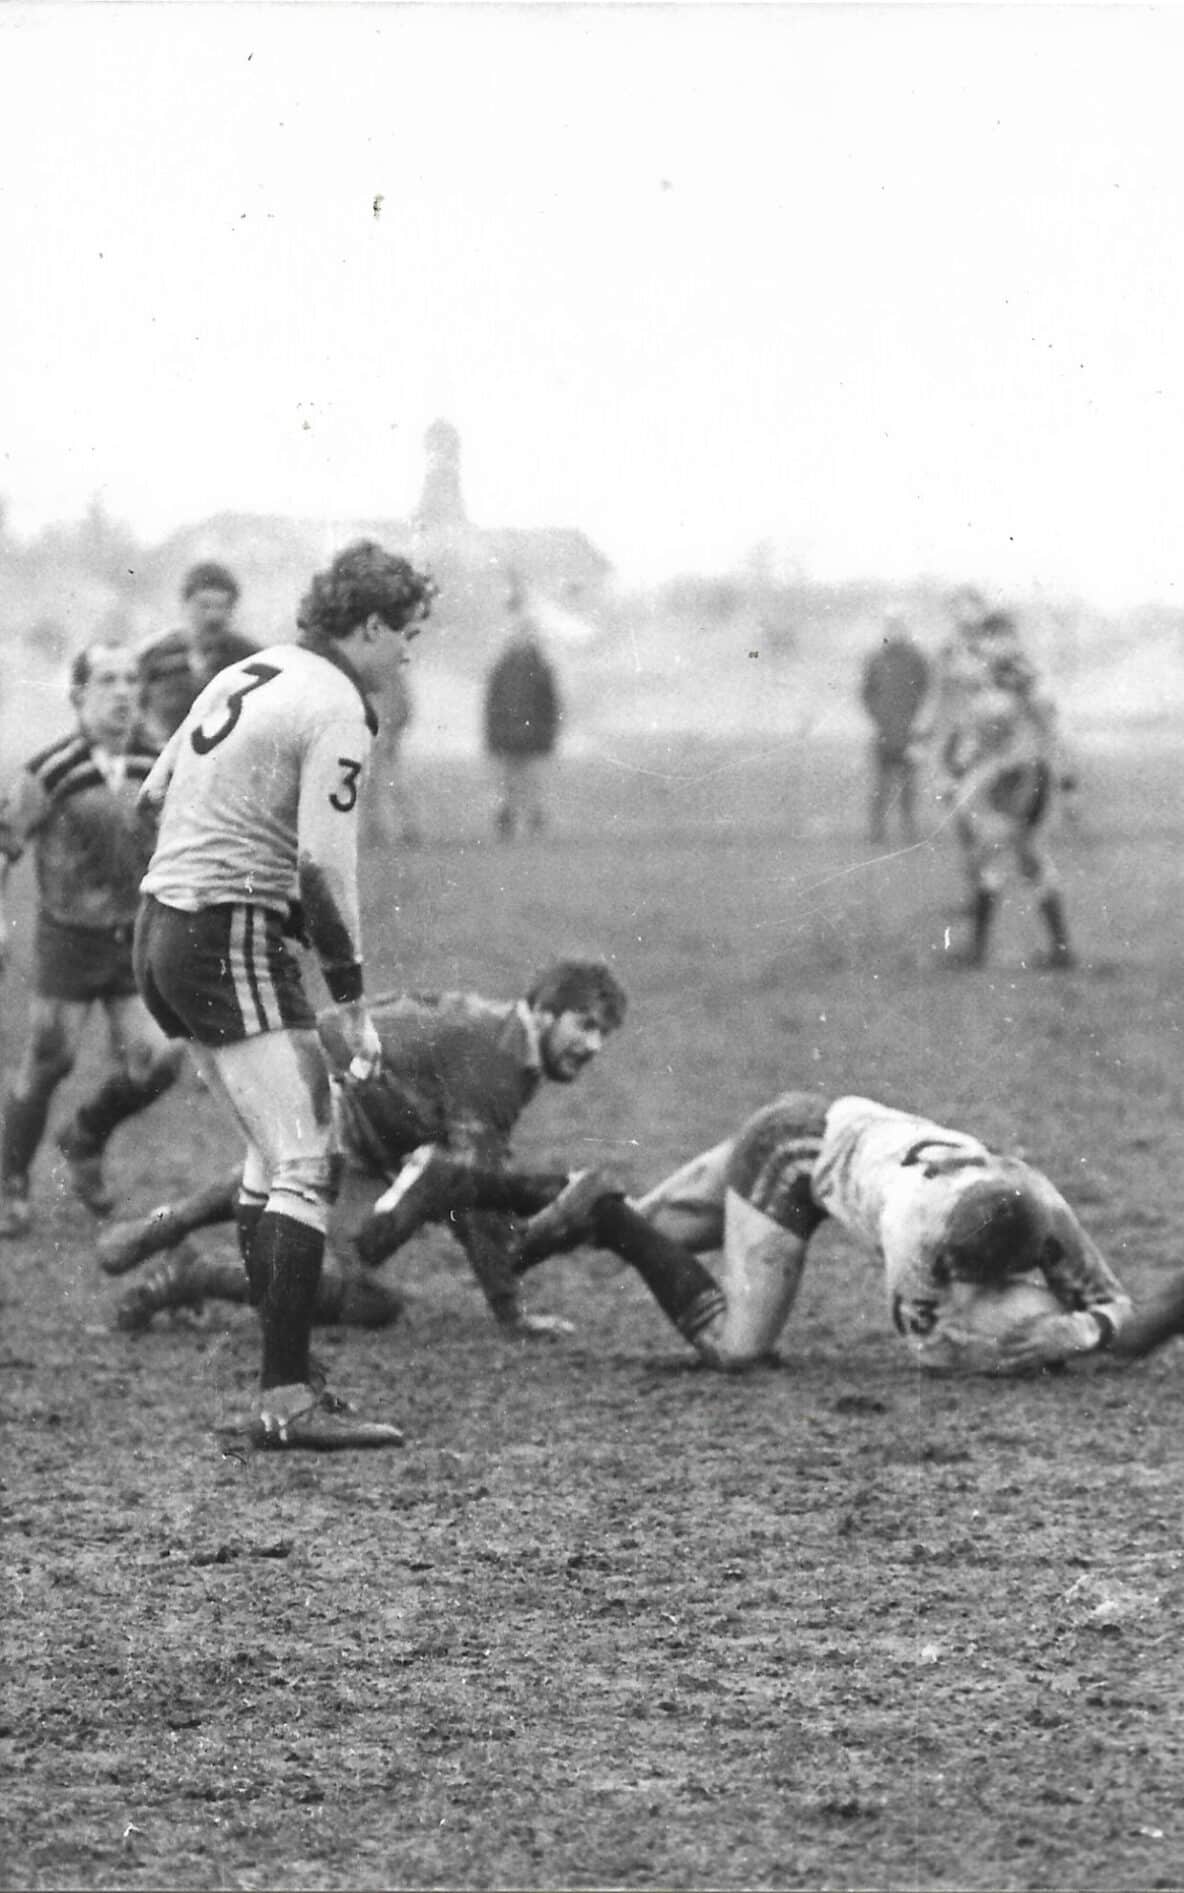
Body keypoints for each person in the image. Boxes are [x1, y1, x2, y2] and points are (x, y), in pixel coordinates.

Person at [133, 539, 436, 1451]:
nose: (408, 653)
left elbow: (152, 796)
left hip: (162, 924)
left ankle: (285, 1378)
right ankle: (287, 1395)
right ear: (371, 625)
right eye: (408, 634)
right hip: (223, 931)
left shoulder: (250, 670)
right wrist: (351, 997)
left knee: (273, 1156)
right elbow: (321, 864)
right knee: (309, 1157)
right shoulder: (338, 703)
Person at [383, 1091, 1142, 1377]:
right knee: (739, 1348)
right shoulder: (918, 1226)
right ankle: (603, 1211)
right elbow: (933, 1350)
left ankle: (464, 1185)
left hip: (820, 1121)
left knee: (652, 1227)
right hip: (792, 1160)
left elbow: (1115, 1302)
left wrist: (1080, 1329)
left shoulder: (1047, 1210)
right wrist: (1018, 1341)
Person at [101, 959, 628, 1339]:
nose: (594, 1045)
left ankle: (166, 1234)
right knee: (364, 1285)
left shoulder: (499, 1033)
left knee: (339, 1219)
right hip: (320, 1093)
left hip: (334, 1103)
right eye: (585, 1025)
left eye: (604, 1032)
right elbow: (472, 1197)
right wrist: (512, 1309)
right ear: (544, 1012)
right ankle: (191, 1271)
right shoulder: (499, 1062)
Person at [0, 645, 185, 1236]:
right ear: (78, 694)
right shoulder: (51, 769)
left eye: (132, 679)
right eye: (108, 680)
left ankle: (84, 1136)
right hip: (69, 940)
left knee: (162, 1058)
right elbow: (3, 845)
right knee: (49, 1061)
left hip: (136, 938)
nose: (124, 691)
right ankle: (11, 1184)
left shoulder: (161, 762)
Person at [936, 611, 1074, 969]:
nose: (989, 646)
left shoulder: (1025, 680)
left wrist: (1065, 781)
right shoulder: (990, 680)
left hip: (1025, 779)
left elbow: (1051, 731)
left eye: (997, 638)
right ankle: (1060, 950)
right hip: (1006, 779)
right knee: (1026, 859)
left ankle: (978, 952)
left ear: (1011, 639)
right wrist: (960, 770)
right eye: (987, 640)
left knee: (994, 855)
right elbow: (979, 733)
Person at [137, 561, 258, 746]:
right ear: (185, 604)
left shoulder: (249, 658)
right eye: (204, 606)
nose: (214, 617)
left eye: (222, 607)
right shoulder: (154, 656)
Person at [482, 583, 562, 840]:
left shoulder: (539, 669)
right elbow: (492, 705)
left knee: (530, 783)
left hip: (531, 737)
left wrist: (548, 735)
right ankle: (510, 821)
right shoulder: (504, 668)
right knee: (509, 783)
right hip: (508, 736)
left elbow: (551, 706)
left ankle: (531, 822)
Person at [859, 616, 931, 845]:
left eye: (900, 630)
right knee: (881, 784)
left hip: (910, 732)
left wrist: (917, 720)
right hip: (885, 732)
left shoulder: (917, 659)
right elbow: (866, 693)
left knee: (908, 785)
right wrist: (878, 717)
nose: (896, 634)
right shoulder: (876, 659)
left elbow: (927, 690)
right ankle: (877, 831)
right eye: (892, 630)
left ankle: (909, 830)